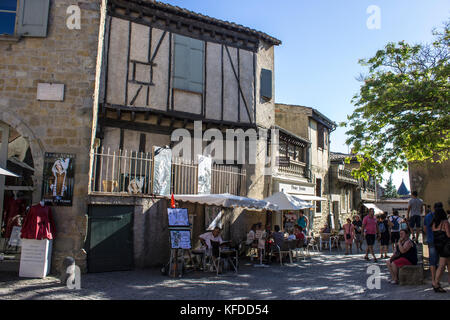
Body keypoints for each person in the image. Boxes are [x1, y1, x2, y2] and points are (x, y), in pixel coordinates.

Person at [431, 207, 450, 293]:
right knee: (442, 265)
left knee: (446, 263)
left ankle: (437, 282)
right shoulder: (445, 222)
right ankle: (436, 283)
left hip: (438, 245)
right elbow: (448, 235)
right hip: (446, 245)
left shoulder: (434, 223)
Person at [423, 202, 442, 292]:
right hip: (440, 241)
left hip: (431, 241)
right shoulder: (441, 216)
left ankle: (434, 280)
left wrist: (429, 235)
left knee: (432, 262)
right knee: (441, 262)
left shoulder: (427, 217)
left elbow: (425, 229)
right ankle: (437, 281)